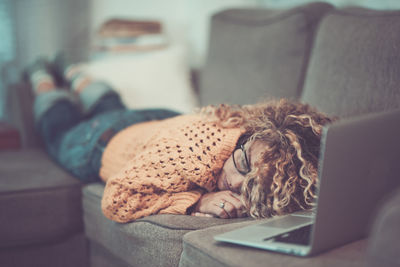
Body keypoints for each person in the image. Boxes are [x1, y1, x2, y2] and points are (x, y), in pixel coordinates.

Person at [27, 56, 335, 223]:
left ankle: (76, 72)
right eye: (243, 164)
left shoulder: (260, 130)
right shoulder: (193, 156)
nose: (240, 185)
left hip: (155, 120)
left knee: (109, 103)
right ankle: (43, 77)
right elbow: (116, 199)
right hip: (99, 142)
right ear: (246, 140)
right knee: (59, 124)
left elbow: (300, 140)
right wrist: (197, 200)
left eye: (258, 181)